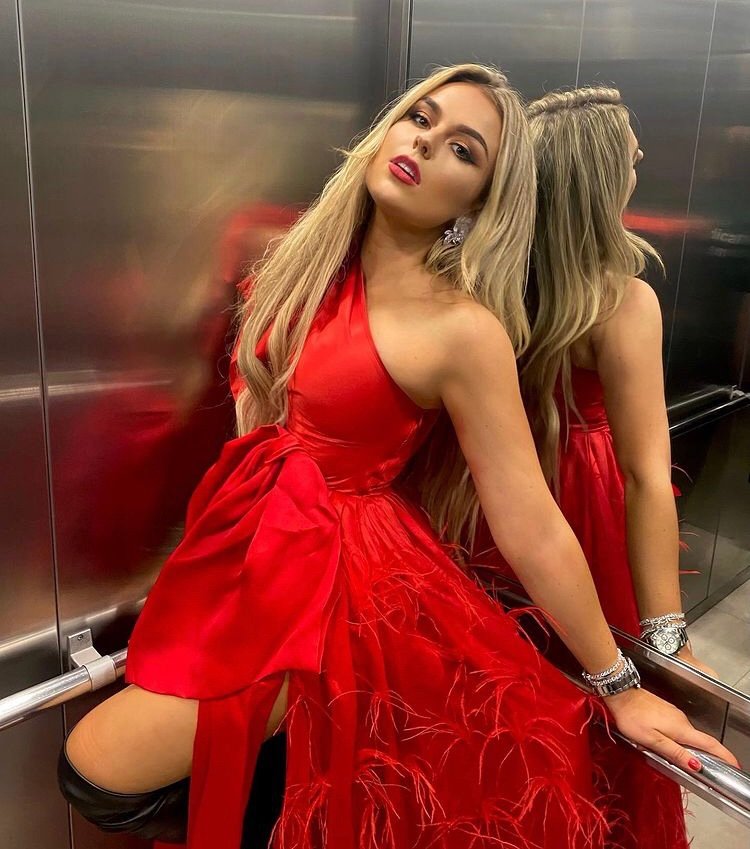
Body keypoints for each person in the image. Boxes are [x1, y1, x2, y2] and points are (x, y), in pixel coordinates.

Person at [58, 65, 736, 849]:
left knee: (97, 768)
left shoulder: (461, 329)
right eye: (421, 117)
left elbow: (530, 520)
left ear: (479, 200)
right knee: (189, 771)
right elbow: (258, 403)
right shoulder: (304, 260)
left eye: (463, 149)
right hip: (254, 546)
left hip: (339, 585)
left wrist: (619, 681)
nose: (425, 143)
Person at [472, 85, 718, 848]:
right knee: (602, 697)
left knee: (507, 699)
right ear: (601, 179)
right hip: (578, 515)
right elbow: (647, 475)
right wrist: (667, 640)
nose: (641, 164)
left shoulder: (480, 280)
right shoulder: (621, 300)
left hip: (480, 506)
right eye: (631, 157)